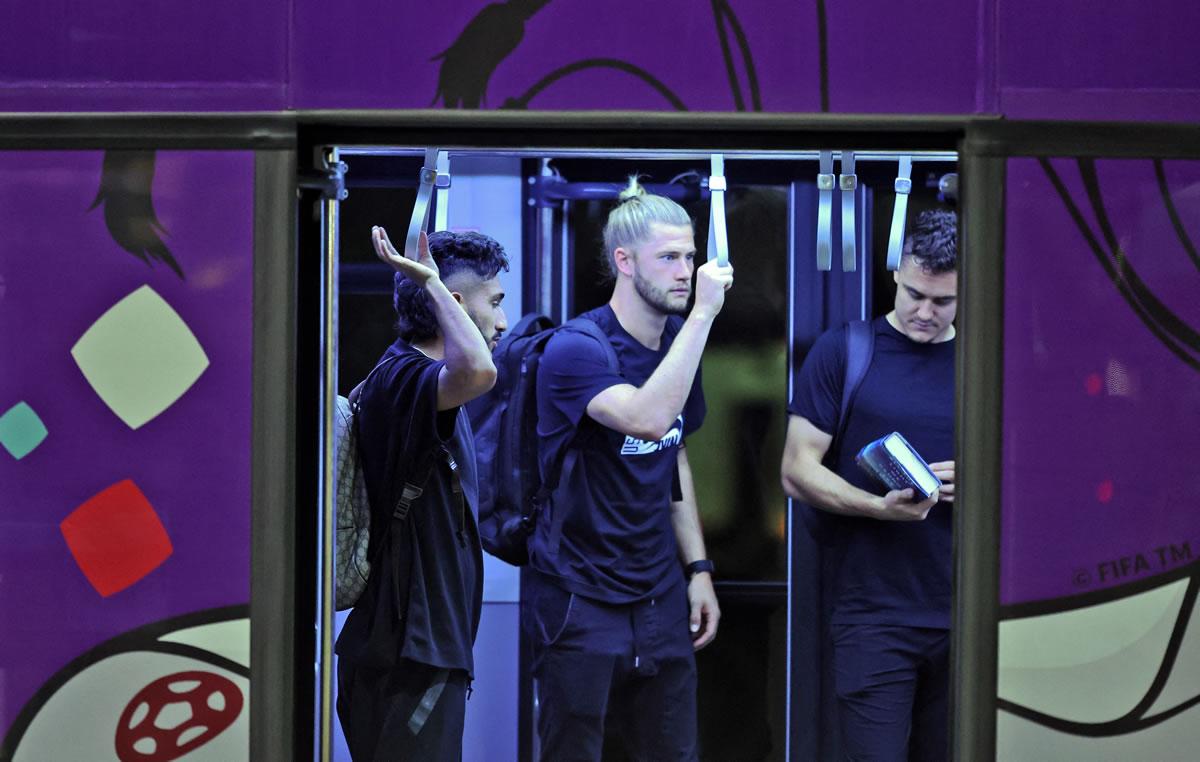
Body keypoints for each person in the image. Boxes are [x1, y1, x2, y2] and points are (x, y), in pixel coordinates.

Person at [527, 177, 733, 760]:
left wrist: (698, 569)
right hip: (580, 590)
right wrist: (704, 315)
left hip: (658, 590)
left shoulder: (678, 342)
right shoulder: (578, 348)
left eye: (690, 257)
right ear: (624, 261)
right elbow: (647, 418)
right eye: (668, 258)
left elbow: (674, 450)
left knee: (674, 752)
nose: (685, 272)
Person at [780, 208, 958, 761]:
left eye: (943, 301)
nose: (924, 312)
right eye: (913, 294)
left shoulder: (989, 362)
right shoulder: (847, 350)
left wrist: (986, 481)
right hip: (874, 615)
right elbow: (796, 469)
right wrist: (878, 507)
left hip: (970, 613)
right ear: (896, 273)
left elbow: (1043, 474)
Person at [336, 226, 508, 761]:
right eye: (495, 302)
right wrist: (432, 285)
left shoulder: (420, 383)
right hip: (409, 655)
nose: (503, 321)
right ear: (454, 302)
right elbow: (479, 372)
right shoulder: (402, 379)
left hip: (420, 653)